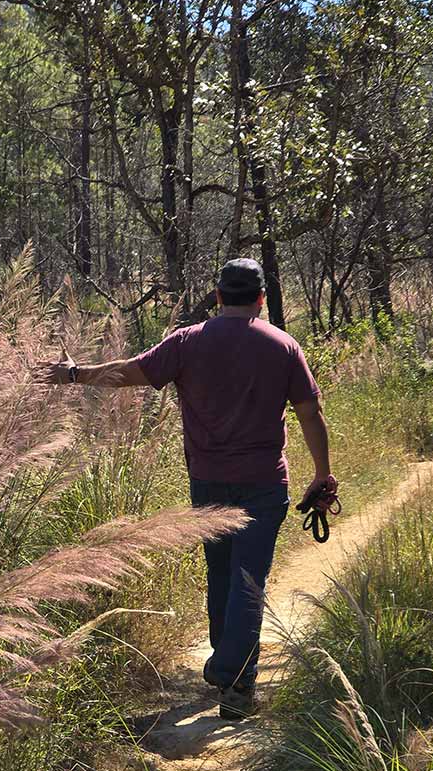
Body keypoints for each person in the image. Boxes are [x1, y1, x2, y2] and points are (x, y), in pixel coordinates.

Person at [33, 258, 337, 720]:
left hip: (208, 483)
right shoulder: (284, 346)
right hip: (263, 482)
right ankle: (234, 680)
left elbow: (130, 372)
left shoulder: (188, 342)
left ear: (218, 297)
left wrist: (75, 375)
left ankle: (228, 669)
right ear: (260, 299)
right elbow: (310, 414)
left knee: (220, 576)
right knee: (247, 580)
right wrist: (322, 474)